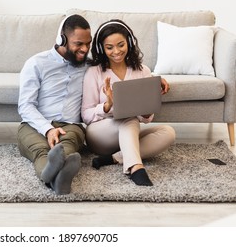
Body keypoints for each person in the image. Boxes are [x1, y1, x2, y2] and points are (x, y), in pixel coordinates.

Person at [81, 19, 176, 186]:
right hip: (100, 135)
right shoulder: (93, 72)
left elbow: (147, 117)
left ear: (129, 43)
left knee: (168, 132)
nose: (116, 51)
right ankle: (135, 168)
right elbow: (86, 115)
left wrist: (147, 109)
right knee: (129, 117)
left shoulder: (143, 70)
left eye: (121, 45)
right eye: (109, 47)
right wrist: (108, 105)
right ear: (101, 48)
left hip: (127, 132)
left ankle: (116, 157)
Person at [17, 14, 92, 195]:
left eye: (88, 43)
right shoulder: (36, 63)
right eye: (78, 44)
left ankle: (53, 179)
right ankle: (57, 178)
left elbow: (123, 64)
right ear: (62, 40)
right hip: (34, 125)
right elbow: (25, 105)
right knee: (41, 151)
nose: (85, 49)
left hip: (70, 126)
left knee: (66, 148)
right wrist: (48, 129)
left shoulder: (90, 65)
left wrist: (154, 79)